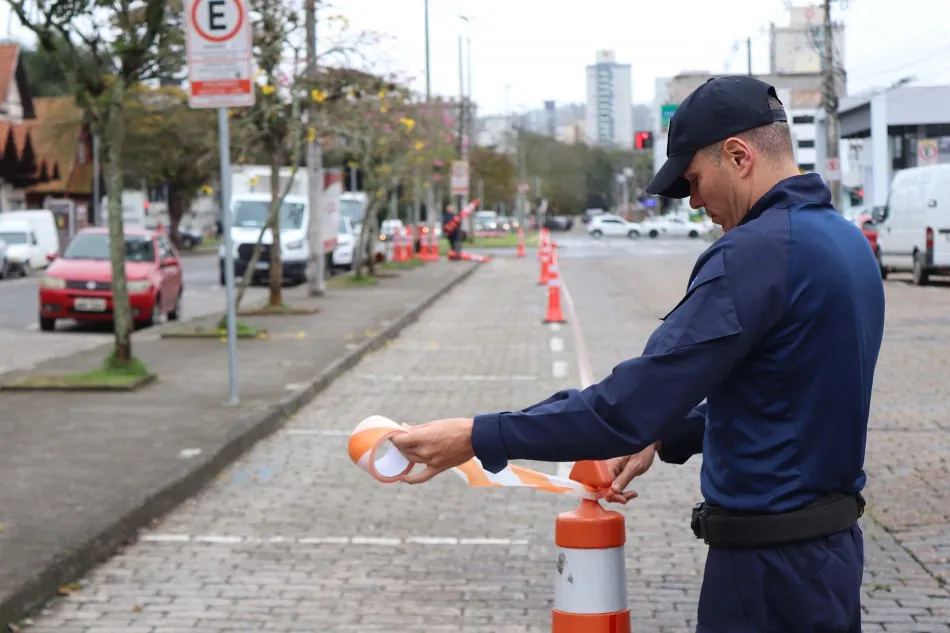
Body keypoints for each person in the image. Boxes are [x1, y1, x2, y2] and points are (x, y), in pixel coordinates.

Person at [390, 76, 886, 633]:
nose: (695, 202)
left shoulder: (754, 255)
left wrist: (475, 436)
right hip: (829, 562)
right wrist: (663, 434)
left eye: (694, 181)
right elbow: (787, 395)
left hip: (766, 576)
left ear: (739, 156)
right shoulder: (844, 243)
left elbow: (622, 408)